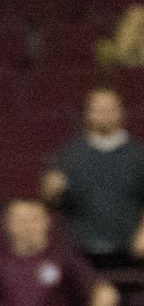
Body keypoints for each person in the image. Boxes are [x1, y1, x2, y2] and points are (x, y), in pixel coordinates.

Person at [42, 86, 143, 276]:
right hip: (82, 252)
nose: (104, 114)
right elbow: (52, 202)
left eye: (110, 109)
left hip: (131, 252)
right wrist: (51, 191)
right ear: (87, 113)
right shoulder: (69, 155)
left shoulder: (138, 155)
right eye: (98, 109)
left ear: (121, 112)